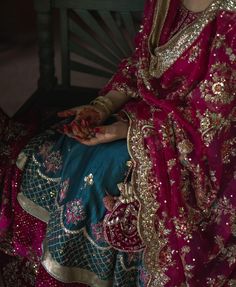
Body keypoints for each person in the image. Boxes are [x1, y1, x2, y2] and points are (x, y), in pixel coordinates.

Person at [0, 0, 235, 286]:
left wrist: (131, 130)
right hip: (152, 116)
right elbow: (141, 64)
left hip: (200, 150)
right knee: (73, 151)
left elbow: (214, 120)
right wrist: (102, 106)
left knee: (101, 170)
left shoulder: (229, 16)